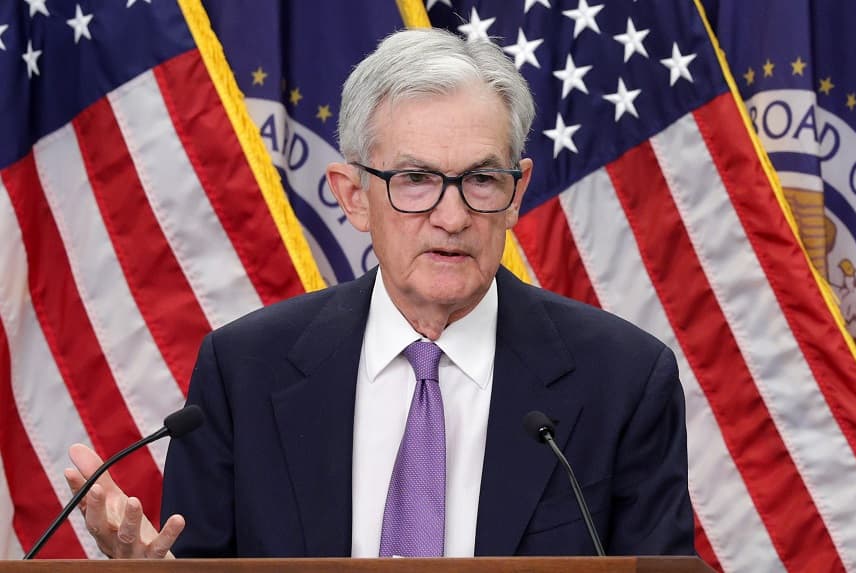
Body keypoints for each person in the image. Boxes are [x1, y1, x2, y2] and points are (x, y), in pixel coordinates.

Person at [66, 27, 694, 559]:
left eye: (480, 179)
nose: (452, 217)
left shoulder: (623, 379)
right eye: (416, 179)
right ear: (352, 196)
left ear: (517, 190)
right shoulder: (244, 372)